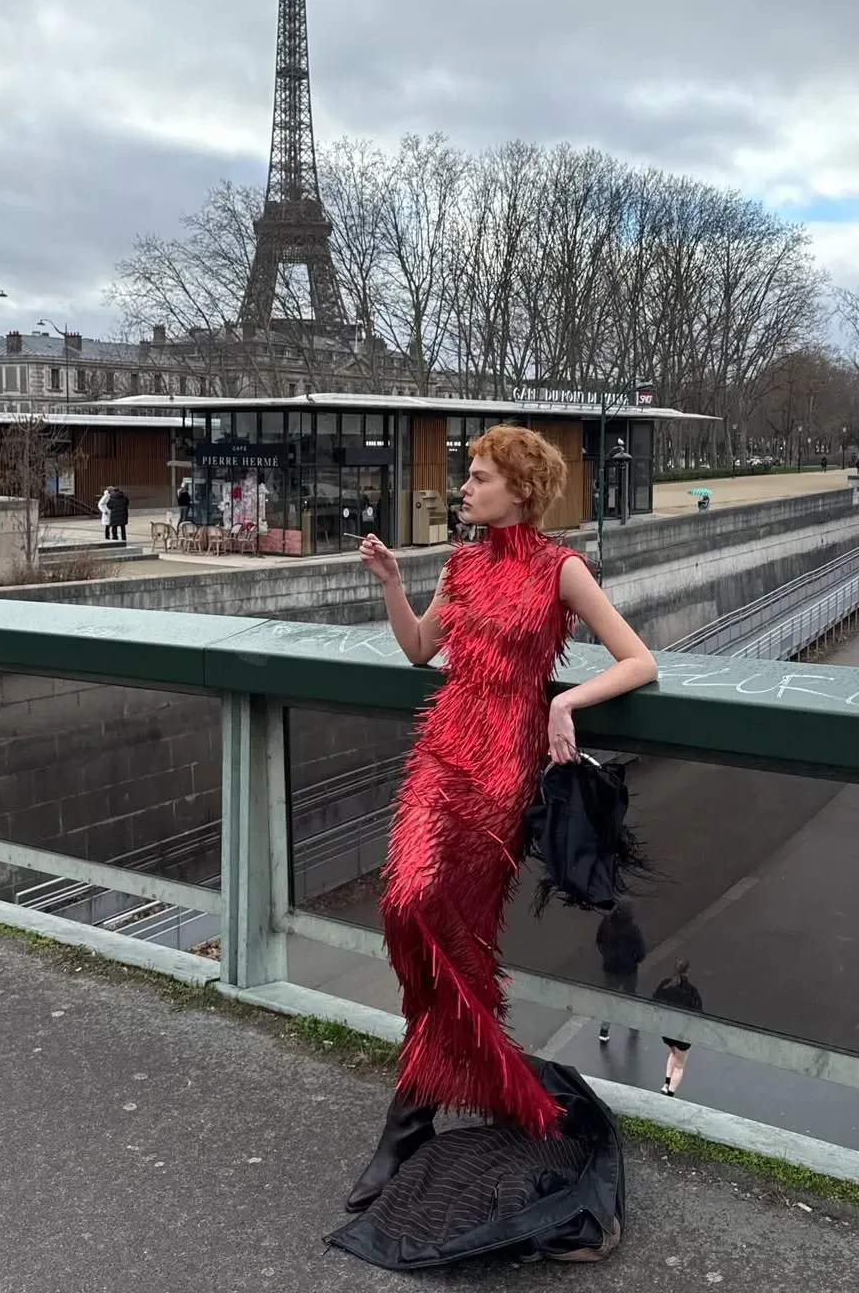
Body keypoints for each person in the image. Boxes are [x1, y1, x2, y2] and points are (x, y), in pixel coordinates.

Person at [345, 424, 658, 1213]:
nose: (466, 486)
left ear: (520, 491)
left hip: (502, 776)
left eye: (480, 477)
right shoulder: (461, 564)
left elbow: (639, 660)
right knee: (405, 906)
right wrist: (391, 582)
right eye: (469, 474)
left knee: (460, 936)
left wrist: (566, 702)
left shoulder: (561, 569)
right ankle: (490, 1083)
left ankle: (408, 1122)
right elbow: (420, 649)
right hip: (440, 756)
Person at [596, 901, 647, 1045]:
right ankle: (632, 1026)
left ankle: (604, 1031)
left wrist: (606, 956)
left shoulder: (606, 924)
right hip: (628, 969)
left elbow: (599, 942)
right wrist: (635, 960)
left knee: (610, 1000)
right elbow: (641, 951)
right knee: (630, 997)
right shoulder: (632, 929)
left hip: (611, 968)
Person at [653, 960, 704, 1097]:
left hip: (667, 1030)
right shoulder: (691, 991)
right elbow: (698, 1012)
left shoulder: (665, 984)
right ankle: (670, 1093)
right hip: (682, 1034)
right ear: (688, 972)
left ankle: (666, 1084)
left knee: (673, 1052)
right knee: (680, 1065)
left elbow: (655, 1002)